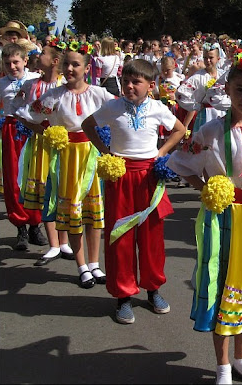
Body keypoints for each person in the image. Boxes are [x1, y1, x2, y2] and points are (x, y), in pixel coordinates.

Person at [166, 53, 242, 385]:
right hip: (225, 218)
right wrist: (208, 190)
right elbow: (182, 164)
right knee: (222, 284)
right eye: (240, 90)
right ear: (227, 90)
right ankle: (223, 368)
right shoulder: (212, 130)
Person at [82, 59, 185, 323]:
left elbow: (179, 130)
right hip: (120, 176)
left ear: (150, 86)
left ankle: (153, 290)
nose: (129, 86)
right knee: (121, 237)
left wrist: (161, 154)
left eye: (135, 82)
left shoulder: (157, 108)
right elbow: (88, 125)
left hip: (149, 177)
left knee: (151, 237)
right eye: (126, 81)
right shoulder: (113, 107)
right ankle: (123, 296)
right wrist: (106, 153)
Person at [16, 41, 115, 289]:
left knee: (94, 215)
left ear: (86, 66)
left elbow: (119, 114)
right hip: (68, 158)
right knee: (73, 212)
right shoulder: (54, 95)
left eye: (76, 64)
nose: (70, 69)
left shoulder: (100, 94)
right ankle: (81, 266)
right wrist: (41, 130)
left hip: (92, 157)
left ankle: (94, 264)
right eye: (67, 64)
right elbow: (27, 114)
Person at [15, 39, 75, 265]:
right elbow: (19, 110)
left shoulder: (65, 85)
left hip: (63, 145)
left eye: (43, 54)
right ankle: (53, 244)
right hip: (41, 144)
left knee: (63, 188)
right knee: (46, 190)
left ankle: (65, 240)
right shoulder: (32, 85)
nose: (37, 56)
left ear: (55, 61)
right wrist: (34, 127)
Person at [0, 43, 44, 250]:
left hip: (32, 129)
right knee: (13, 178)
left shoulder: (35, 79)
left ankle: (35, 224)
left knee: (34, 176)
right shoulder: (1, 83)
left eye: (16, 62)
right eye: (8, 63)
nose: (12, 66)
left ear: (25, 61)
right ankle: (21, 227)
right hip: (11, 129)